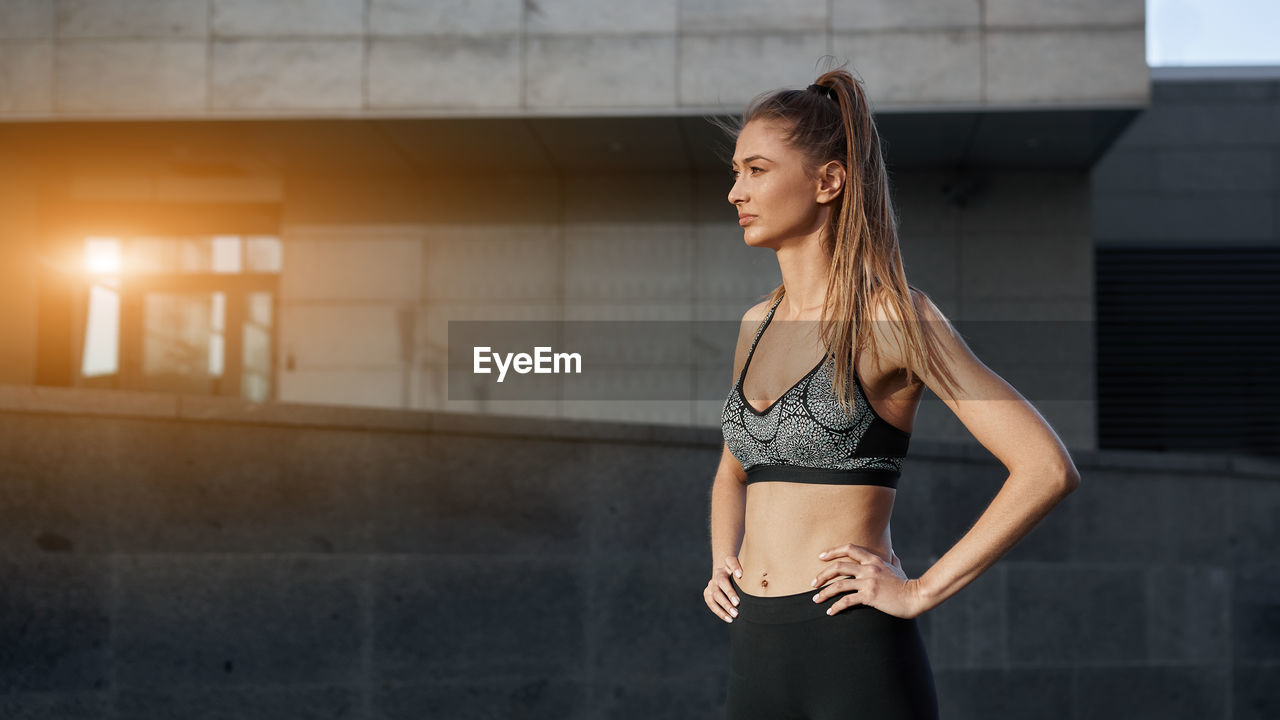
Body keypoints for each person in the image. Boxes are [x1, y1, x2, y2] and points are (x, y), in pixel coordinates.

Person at [704, 61, 1082, 720]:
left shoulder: (892, 318)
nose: (736, 191)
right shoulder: (754, 325)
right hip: (755, 649)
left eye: (757, 170)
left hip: (851, 652)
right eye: (736, 171)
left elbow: (1045, 467)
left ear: (829, 180)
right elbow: (732, 471)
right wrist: (721, 561)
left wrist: (922, 589)